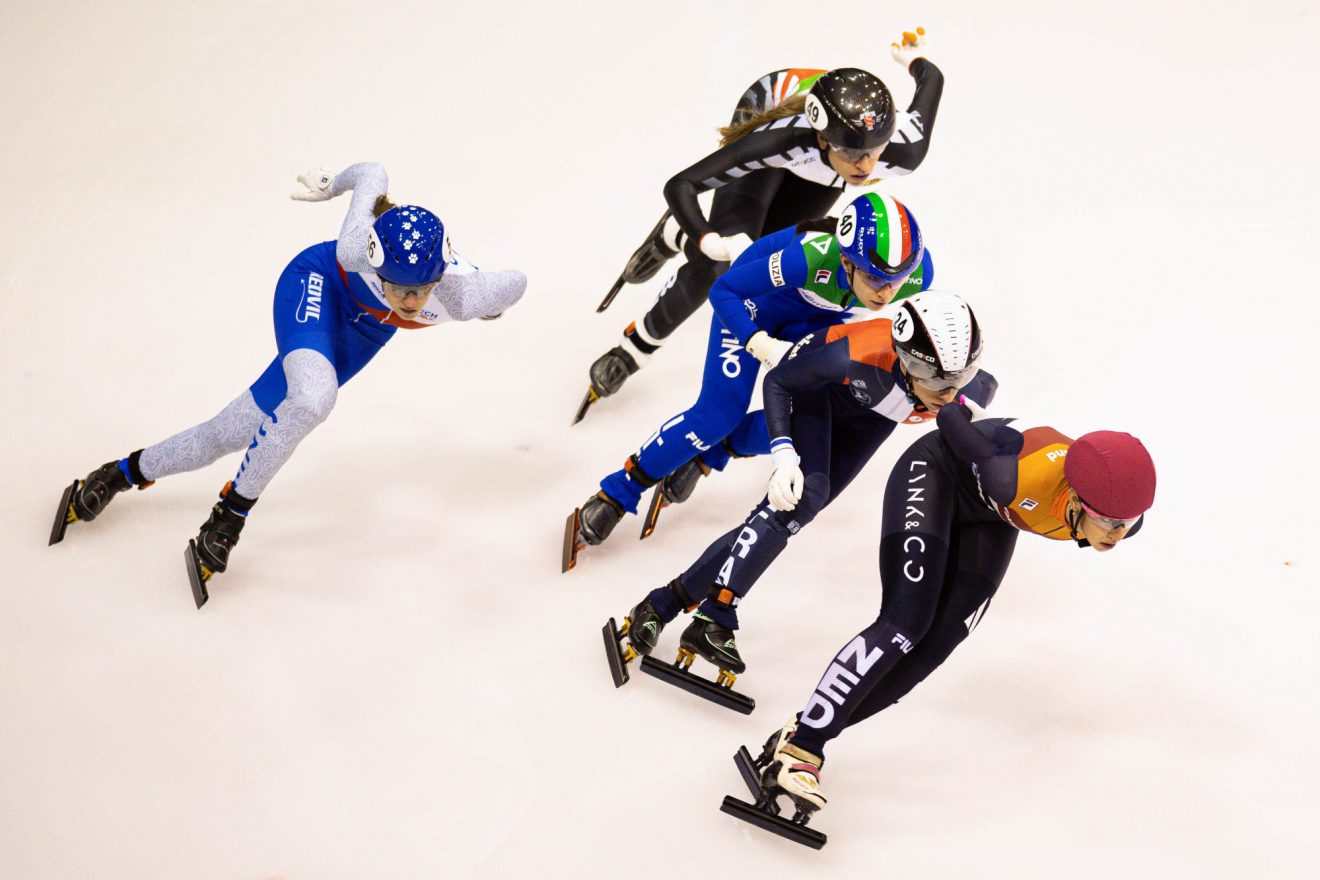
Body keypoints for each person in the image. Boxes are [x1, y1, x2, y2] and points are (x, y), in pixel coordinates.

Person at [49, 163, 528, 601]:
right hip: (317, 284)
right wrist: (332, 184)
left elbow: (519, 281)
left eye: (420, 290)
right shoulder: (354, 247)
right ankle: (230, 516)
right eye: (398, 287)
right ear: (375, 261)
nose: (409, 300)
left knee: (227, 433)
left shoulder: (460, 294)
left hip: (361, 333)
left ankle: (119, 473)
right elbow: (372, 174)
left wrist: (491, 299)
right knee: (315, 398)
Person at [737, 405, 1157, 826]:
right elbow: (951, 422)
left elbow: (1116, 513)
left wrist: (1117, 517)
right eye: (1108, 522)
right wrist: (958, 401)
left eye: (1128, 522)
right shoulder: (1012, 479)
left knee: (938, 643)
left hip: (990, 515)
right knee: (906, 622)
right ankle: (804, 750)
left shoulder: (1117, 509)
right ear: (1079, 500)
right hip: (936, 472)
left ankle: (802, 732)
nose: (1118, 534)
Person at [615, 291, 995, 684]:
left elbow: (984, 385)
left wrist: (970, 414)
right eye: (935, 379)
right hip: (814, 392)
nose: (949, 394)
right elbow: (779, 381)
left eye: (960, 378)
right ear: (905, 359)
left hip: (869, 418)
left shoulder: (962, 384)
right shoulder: (856, 354)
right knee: (801, 498)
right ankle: (715, 614)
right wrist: (783, 453)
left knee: (788, 517)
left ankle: (660, 605)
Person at [578, 28, 943, 418]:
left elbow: (931, 80)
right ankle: (636, 346)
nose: (867, 166)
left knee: (768, 249)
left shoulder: (904, 151)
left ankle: (677, 233)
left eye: (875, 152)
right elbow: (681, 184)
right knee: (720, 263)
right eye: (853, 154)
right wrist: (706, 239)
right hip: (772, 103)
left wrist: (912, 57)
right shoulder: (783, 139)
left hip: (836, 126)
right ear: (822, 140)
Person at [565, 191, 934, 569]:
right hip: (751, 308)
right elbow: (723, 290)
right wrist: (757, 342)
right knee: (717, 416)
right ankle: (617, 492)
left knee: (818, 424)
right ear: (845, 260)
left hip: (813, 321)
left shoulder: (919, 275)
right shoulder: (805, 259)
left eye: (898, 279)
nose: (888, 291)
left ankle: (714, 452)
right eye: (874, 278)